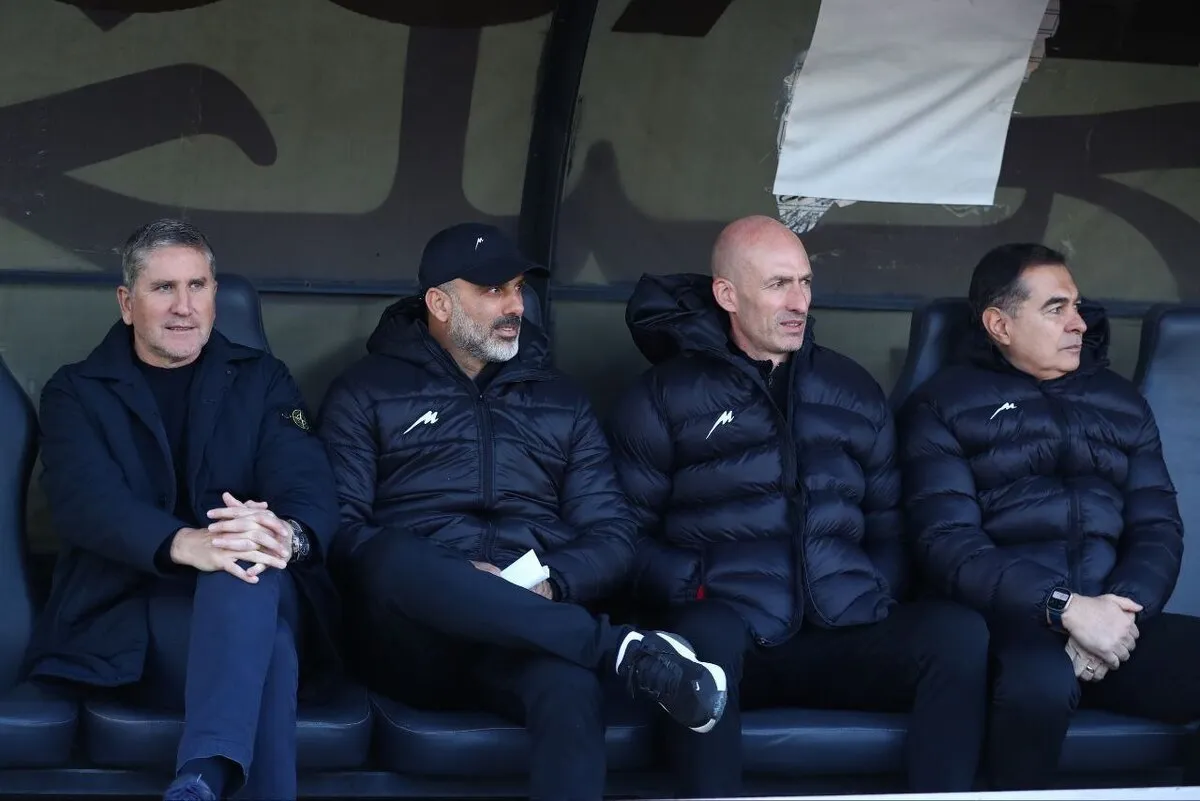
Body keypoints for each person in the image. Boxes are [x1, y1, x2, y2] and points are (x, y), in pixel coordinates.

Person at [316, 222, 727, 801]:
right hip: (413, 640)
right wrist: (456, 577)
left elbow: (613, 534)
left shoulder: (561, 400)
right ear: (438, 303)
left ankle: (603, 649)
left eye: (517, 288)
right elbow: (342, 532)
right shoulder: (365, 392)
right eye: (492, 290)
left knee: (570, 688)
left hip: (530, 630)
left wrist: (552, 584)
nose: (515, 306)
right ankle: (617, 648)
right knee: (388, 555)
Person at [606, 215, 990, 798]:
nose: (799, 302)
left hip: (844, 628)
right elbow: (622, 534)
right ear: (727, 295)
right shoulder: (662, 396)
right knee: (701, 638)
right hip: (733, 634)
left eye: (805, 282)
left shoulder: (852, 389)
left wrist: (871, 589)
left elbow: (889, 526)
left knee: (956, 634)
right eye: (778, 284)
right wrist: (693, 586)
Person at [25, 219, 341, 801]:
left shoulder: (262, 379)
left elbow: (308, 483)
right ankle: (205, 775)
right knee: (268, 646)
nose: (184, 307)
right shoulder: (77, 391)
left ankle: (202, 781)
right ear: (127, 303)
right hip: (134, 613)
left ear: (215, 294)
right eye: (163, 288)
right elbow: (82, 502)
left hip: (260, 587)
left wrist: (284, 532)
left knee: (243, 565)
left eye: (197, 286)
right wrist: (185, 543)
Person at [898, 242, 1200, 789]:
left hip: (1120, 621)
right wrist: (1065, 608)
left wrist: (1117, 613)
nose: (1078, 323)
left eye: (1076, 306)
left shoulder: (1120, 401)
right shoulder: (942, 405)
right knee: (1038, 686)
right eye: (1056, 308)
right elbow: (948, 544)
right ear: (1000, 324)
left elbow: (1157, 526)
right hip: (1012, 625)